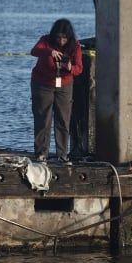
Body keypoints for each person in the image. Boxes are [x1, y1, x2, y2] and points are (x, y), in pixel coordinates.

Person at [30, 18, 83, 163]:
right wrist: (49, 51)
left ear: (69, 37)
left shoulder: (75, 46)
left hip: (64, 84)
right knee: (43, 118)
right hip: (42, 83)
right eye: (58, 37)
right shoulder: (46, 40)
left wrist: (71, 67)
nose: (61, 41)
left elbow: (79, 68)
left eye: (64, 38)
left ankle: (62, 154)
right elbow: (34, 51)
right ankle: (41, 153)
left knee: (63, 119)